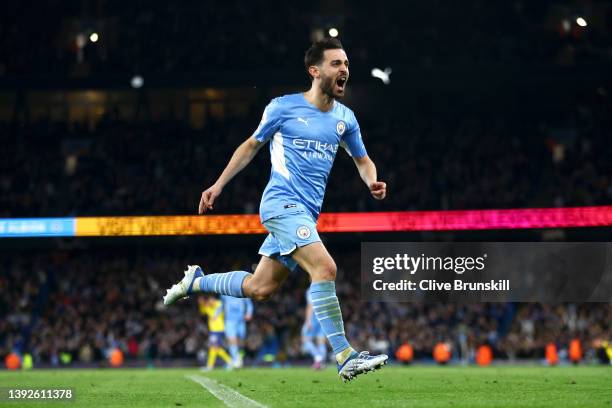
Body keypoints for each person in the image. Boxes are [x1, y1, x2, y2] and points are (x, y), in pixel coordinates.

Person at [164, 37, 388, 381]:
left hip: (304, 215)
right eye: (335, 64)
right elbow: (251, 146)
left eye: (346, 63)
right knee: (325, 268)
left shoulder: (346, 118)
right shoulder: (283, 107)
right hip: (281, 205)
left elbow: (362, 159)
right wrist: (219, 183)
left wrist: (371, 180)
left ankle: (196, 282)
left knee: (260, 288)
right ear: (314, 71)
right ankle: (345, 355)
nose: (344, 69)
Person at [198, 295, 232, 371]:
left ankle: (228, 361)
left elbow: (217, 311)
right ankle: (228, 362)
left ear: (213, 299)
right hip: (213, 330)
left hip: (218, 329)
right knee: (214, 348)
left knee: (213, 347)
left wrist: (207, 305)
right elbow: (203, 312)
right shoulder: (209, 306)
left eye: (211, 300)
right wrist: (202, 304)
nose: (210, 302)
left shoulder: (219, 304)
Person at [221, 295, 253, 368]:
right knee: (232, 339)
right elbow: (222, 305)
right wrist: (216, 314)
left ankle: (238, 357)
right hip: (229, 320)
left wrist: (249, 313)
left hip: (241, 321)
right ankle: (235, 359)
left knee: (240, 339)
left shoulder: (241, 292)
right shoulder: (224, 293)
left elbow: (249, 303)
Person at [301, 287, 327, 370]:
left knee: (305, 340)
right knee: (321, 342)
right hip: (324, 318)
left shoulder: (311, 290)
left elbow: (310, 306)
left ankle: (318, 358)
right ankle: (321, 363)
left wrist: (308, 320)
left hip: (314, 317)